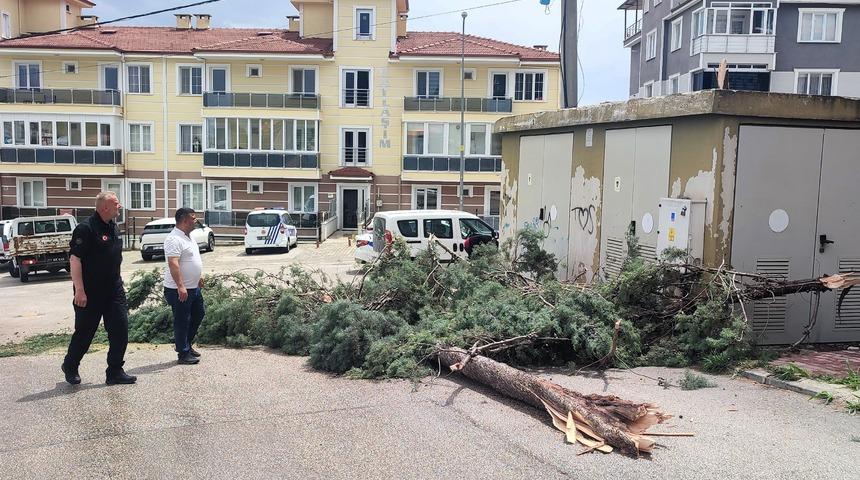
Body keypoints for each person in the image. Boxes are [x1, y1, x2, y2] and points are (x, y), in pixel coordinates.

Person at [61, 192, 136, 385]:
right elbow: (75, 259)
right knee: (85, 333)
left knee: (120, 330)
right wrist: (79, 290)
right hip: (89, 292)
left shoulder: (113, 226)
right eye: (116, 204)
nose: (119, 207)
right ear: (104, 208)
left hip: (114, 290)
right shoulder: (85, 229)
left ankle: (115, 371)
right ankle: (70, 365)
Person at [163, 207, 205, 365]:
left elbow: (191, 260)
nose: (196, 221)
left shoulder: (189, 237)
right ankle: (183, 353)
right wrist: (180, 286)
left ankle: (186, 345)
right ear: (185, 220)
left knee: (199, 313)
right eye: (193, 218)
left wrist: (198, 276)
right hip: (178, 289)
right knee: (182, 320)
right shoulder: (174, 239)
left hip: (194, 286)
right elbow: (173, 263)